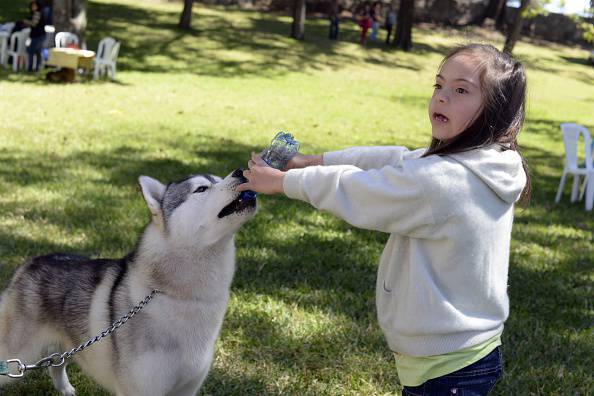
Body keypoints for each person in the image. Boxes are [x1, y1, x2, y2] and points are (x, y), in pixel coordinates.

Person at [237, 43, 530, 395]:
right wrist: (311, 161)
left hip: (448, 365)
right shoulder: (481, 163)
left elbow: (362, 189)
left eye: (461, 90)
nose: (442, 97)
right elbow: (390, 159)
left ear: (494, 112)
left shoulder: (444, 181)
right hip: (461, 352)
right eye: (439, 85)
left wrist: (284, 183)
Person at [22, 0, 46, 72]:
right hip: (35, 36)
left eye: (34, 6)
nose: (33, 7)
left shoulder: (37, 13)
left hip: (39, 36)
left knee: (36, 51)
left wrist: (26, 21)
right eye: (32, 6)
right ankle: (32, 68)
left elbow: (34, 24)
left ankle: (36, 68)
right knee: (33, 51)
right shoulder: (35, 13)